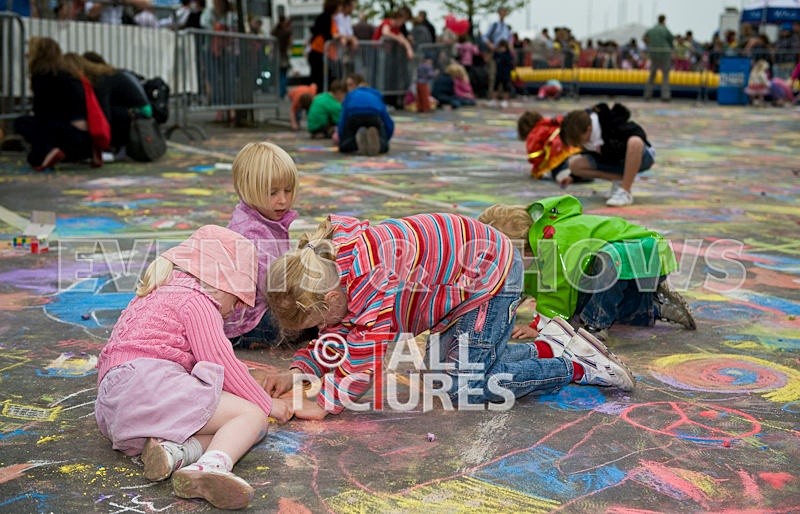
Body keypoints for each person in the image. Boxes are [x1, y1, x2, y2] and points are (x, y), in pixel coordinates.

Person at [261, 212, 636, 420]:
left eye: (312, 324)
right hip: (461, 289)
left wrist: (323, 402)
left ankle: (575, 365)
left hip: (493, 278)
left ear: (327, 300)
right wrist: (298, 372)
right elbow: (333, 336)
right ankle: (548, 346)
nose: (316, 333)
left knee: (464, 387)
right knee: (440, 373)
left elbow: (361, 361)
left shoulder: (370, 287)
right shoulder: (327, 267)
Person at [95, 225, 294, 510]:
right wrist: (267, 404)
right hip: (151, 387)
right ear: (220, 281)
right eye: (237, 297)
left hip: (115, 408)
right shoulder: (196, 301)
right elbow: (220, 361)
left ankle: (171, 452)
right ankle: (211, 469)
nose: (238, 308)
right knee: (251, 419)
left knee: (226, 428)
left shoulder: (156, 292)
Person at [478, 196, 696, 342]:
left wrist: (540, 325)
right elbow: (512, 290)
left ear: (524, 248)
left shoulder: (550, 243)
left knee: (607, 261)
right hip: (623, 270)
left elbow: (556, 290)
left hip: (645, 252)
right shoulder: (529, 252)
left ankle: (595, 327)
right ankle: (653, 307)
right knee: (581, 302)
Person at [225, 141, 313, 349]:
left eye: (288, 190)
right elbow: (274, 289)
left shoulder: (265, 217)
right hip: (249, 323)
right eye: (272, 193)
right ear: (249, 189)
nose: (282, 200)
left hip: (253, 313)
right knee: (317, 316)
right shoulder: (252, 233)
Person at [13, 37, 94, 171]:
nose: (26, 55)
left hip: (66, 133)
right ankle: (50, 152)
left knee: (22, 123)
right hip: (83, 137)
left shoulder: (43, 76)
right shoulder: (68, 74)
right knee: (34, 158)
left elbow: (42, 113)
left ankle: (49, 150)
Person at [559, 102, 655, 207]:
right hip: (615, 161)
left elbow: (639, 133)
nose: (580, 144)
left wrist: (613, 147)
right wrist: (573, 177)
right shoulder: (586, 138)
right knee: (574, 165)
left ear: (589, 129)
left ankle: (625, 191)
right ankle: (619, 180)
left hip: (641, 157)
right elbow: (592, 156)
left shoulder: (610, 123)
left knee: (635, 142)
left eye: (579, 141)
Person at [65, 53, 152, 157]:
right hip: (139, 107)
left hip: (140, 111)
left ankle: (112, 147)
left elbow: (104, 112)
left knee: (110, 114)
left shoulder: (102, 81)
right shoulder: (106, 74)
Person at [337, 73, 394, 156]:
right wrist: (385, 138)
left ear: (357, 84)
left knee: (345, 146)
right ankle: (379, 144)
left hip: (354, 116)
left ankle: (356, 142)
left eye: (350, 85)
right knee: (383, 144)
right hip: (373, 116)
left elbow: (343, 118)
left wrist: (342, 138)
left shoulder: (351, 95)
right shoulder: (376, 93)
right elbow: (385, 117)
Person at [516, 110, 580, 180]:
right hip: (576, 151)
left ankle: (571, 175)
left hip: (560, 161)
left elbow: (535, 157)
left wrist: (536, 171)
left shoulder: (533, 135)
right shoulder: (551, 123)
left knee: (560, 173)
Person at [307, 0, 340, 92]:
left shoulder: (327, 17)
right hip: (318, 52)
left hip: (319, 52)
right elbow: (327, 35)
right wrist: (338, 36)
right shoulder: (326, 18)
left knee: (320, 79)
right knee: (319, 80)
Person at [483, 7, 513, 102]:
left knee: (505, 76)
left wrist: (510, 49)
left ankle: (503, 97)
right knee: (495, 75)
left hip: (505, 53)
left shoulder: (507, 27)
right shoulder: (495, 25)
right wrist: (491, 45)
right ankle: (492, 96)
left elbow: (509, 39)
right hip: (496, 52)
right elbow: (485, 37)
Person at [643, 14, 674, 102]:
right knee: (665, 76)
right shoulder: (665, 29)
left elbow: (644, 37)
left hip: (654, 52)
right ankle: (665, 96)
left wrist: (649, 45)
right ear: (664, 20)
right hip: (664, 53)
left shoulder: (652, 29)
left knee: (652, 75)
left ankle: (647, 95)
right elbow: (671, 40)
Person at [271, 15, 293, 99]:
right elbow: (291, 43)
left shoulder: (275, 31)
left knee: (279, 74)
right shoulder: (287, 32)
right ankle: (282, 91)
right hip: (283, 55)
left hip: (276, 54)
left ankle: (281, 91)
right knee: (283, 74)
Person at [491, 39, 514, 108]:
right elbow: (494, 58)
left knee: (506, 87)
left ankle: (505, 101)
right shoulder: (498, 54)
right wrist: (495, 50)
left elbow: (510, 63)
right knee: (495, 86)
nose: (502, 48)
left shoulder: (508, 54)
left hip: (506, 73)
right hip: (498, 72)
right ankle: (494, 100)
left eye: (503, 47)